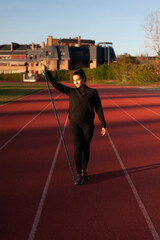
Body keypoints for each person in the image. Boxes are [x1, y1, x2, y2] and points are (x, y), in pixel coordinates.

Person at [42, 66, 106, 185]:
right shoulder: (71, 91)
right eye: (74, 80)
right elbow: (56, 85)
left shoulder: (93, 92)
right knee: (77, 148)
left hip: (88, 125)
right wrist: (47, 73)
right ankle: (78, 174)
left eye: (78, 79)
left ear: (84, 78)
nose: (76, 82)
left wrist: (103, 124)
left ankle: (84, 171)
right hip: (75, 125)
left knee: (86, 148)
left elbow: (98, 108)